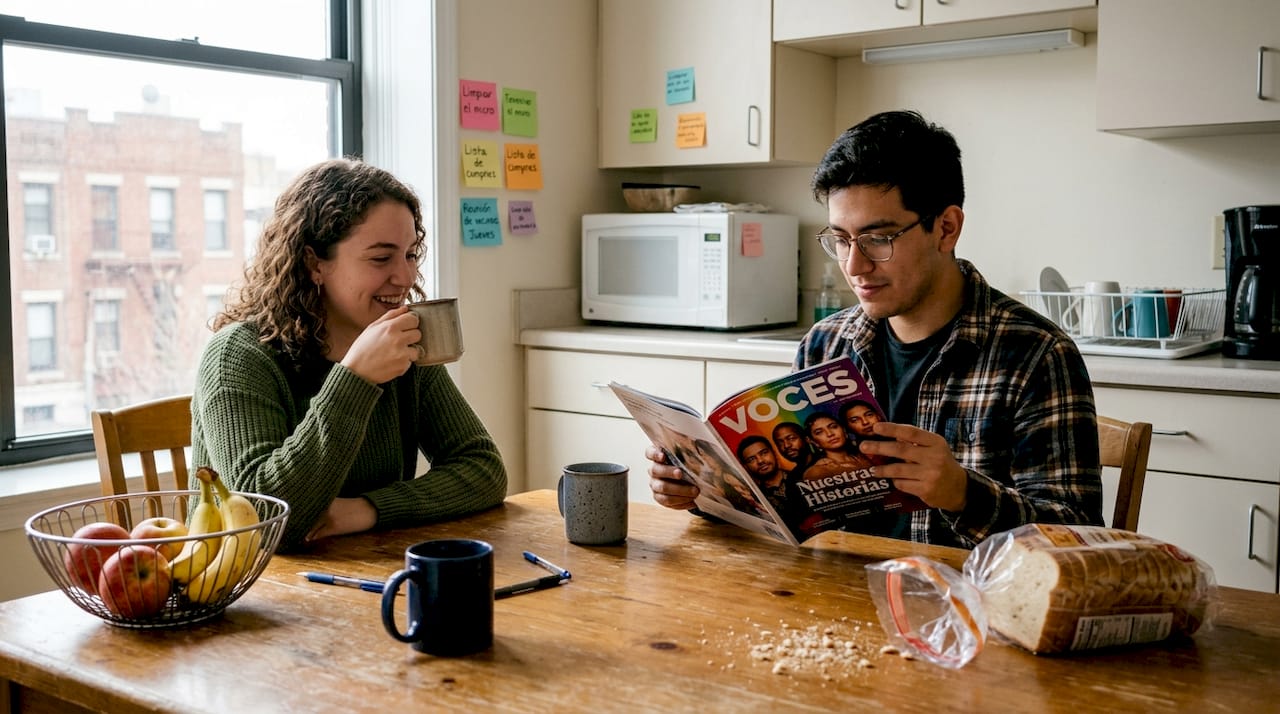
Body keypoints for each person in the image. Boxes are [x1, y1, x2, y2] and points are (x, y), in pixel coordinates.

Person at [647, 110, 1102, 548]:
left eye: (878, 239)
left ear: (946, 228)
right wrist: (703, 491)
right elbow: (792, 511)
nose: (854, 265)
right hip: (833, 593)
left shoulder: (1036, 354)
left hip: (967, 609)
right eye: (841, 240)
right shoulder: (826, 344)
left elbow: (1078, 540)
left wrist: (963, 493)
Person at [191, 157, 508, 551]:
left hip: (367, 569)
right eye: (381, 258)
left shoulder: (403, 343)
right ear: (314, 263)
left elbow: (483, 468)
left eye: (410, 254)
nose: (406, 277)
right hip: (251, 590)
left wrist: (365, 510)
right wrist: (355, 379)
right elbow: (261, 520)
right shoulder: (238, 356)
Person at [799, 412, 875, 481]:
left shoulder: (864, 456)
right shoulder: (818, 472)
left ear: (844, 430)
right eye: (819, 432)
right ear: (813, 441)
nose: (830, 434)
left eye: (833, 427)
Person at [735, 435, 789, 511]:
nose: (760, 461)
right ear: (746, 467)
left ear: (774, 453)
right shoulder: (757, 499)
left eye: (764, 453)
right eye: (752, 459)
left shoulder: (802, 476)